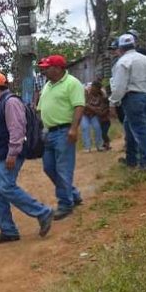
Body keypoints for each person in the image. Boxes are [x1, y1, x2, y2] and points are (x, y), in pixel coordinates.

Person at [0, 72, 54, 245]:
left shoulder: (10, 102)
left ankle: (42, 212)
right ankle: (8, 230)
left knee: (6, 188)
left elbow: (17, 129)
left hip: (7, 155)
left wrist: (12, 153)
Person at [37, 55, 85, 220]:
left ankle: (65, 204)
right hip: (49, 132)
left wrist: (74, 129)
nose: (44, 70)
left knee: (63, 169)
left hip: (64, 131)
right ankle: (73, 194)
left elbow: (79, 106)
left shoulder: (72, 83)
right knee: (49, 167)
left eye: (47, 67)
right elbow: (41, 108)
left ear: (58, 68)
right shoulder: (48, 85)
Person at [109, 34, 146, 170]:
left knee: (140, 130)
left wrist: (113, 102)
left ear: (120, 48)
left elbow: (120, 86)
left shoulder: (123, 62)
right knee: (130, 127)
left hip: (132, 97)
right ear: (134, 45)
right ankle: (131, 159)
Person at [81, 80, 108, 152]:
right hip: (84, 114)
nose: (93, 89)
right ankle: (87, 147)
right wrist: (94, 108)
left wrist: (92, 108)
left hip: (94, 115)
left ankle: (99, 145)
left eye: (95, 88)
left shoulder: (101, 95)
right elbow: (84, 104)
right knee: (85, 127)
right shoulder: (86, 92)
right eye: (92, 87)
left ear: (98, 89)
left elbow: (101, 108)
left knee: (97, 127)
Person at [92, 81, 112, 150]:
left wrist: (97, 111)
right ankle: (104, 144)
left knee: (104, 133)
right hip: (100, 121)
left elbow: (102, 113)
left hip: (106, 122)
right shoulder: (100, 101)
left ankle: (107, 144)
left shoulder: (106, 107)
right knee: (101, 133)